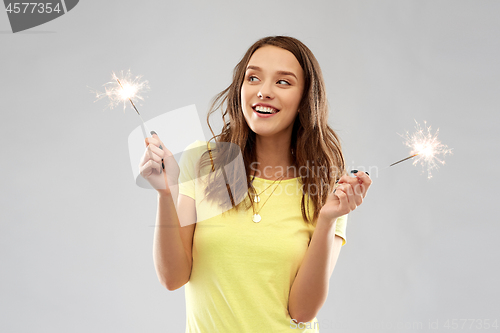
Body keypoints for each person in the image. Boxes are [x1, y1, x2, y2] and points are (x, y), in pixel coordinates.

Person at [139, 36, 372, 333]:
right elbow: (173, 278)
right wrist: (165, 193)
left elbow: (301, 311)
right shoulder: (204, 162)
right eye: (253, 78)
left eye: (283, 83)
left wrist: (328, 219)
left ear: (304, 100)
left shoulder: (326, 186)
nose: (264, 92)